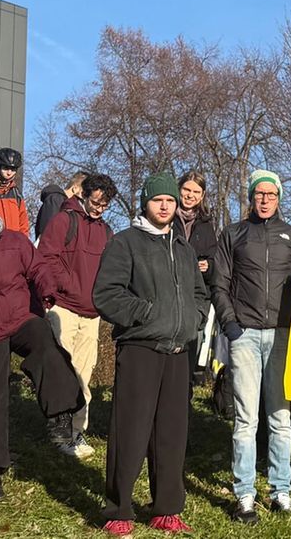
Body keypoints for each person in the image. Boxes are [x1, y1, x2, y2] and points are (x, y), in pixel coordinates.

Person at [94, 171, 210, 536]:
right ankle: (119, 508)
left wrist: (194, 318)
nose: (165, 205)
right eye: (158, 199)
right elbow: (107, 294)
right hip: (140, 349)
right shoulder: (125, 242)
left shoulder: (184, 247)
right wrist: (145, 313)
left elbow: (200, 294)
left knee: (172, 435)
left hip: (179, 352)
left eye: (171, 200)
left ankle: (167, 509)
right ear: (146, 202)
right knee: (130, 431)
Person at [0, 182, 83, 501]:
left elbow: (38, 267)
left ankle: (60, 415)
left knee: (46, 344)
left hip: (22, 315)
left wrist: (47, 289)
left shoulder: (14, 238)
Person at [212, 169, 291, 523]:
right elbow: (218, 283)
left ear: (279, 198)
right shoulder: (233, 234)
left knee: (281, 419)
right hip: (246, 335)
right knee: (245, 420)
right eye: (259, 194)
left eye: (271, 194)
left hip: (282, 335)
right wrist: (231, 325)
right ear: (251, 197)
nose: (265, 200)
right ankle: (245, 495)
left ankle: (281, 491)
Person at [37, 172, 118, 457]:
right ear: (85, 194)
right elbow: (46, 258)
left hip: (92, 313)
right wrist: (64, 286)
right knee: (63, 371)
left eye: (105, 204)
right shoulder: (63, 220)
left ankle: (76, 431)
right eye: (96, 201)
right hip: (63, 307)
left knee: (84, 373)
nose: (99, 208)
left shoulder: (107, 231)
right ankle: (57, 429)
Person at [171, 170, 218, 379]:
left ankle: (185, 399)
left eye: (196, 191)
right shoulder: (167, 216)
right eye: (186, 190)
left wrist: (208, 266)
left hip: (196, 298)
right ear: (178, 190)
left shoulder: (207, 224)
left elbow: (215, 259)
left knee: (191, 351)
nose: (190, 195)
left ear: (202, 196)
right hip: (169, 294)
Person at [34, 170, 87, 242]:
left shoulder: (63, 203)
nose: (84, 200)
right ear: (75, 188)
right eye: (84, 194)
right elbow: (50, 230)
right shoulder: (56, 200)